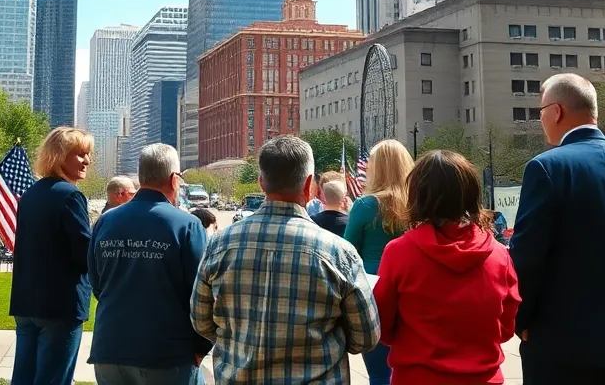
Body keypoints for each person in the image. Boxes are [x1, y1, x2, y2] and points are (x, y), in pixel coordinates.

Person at [509, 74, 605, 385]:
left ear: (556, 111)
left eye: (541, 112)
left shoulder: (546, 168)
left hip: (560, 342)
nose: (541, 120)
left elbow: (527, 258)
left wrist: (521, 319)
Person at [191, 136, 379, 383]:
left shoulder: (219, 245)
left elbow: (201, 321)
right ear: (309, 185)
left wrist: (240, 341)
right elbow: (366, 337)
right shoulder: (339, 253)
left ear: (261, 182)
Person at [373, 149, 519, 384]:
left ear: (417, 195)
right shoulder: (499, 255)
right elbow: (506, 326)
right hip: (483, 377)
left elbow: (383, 324)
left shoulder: (399, 252)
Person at [89, 144, 211, 385]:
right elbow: (201, 292)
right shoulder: (187, 225)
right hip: (166, 353)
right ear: (174, 179)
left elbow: (97, 283)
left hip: (110, 347)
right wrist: (201, 346)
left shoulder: (105, 221)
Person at [10, 127, 95, 385]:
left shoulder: (30, 194)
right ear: (59, 156)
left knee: (23, 379)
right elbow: (85, 253)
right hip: (61, 305)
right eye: (80, 154)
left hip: (26, 302)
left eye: (88, 154)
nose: (87, 161)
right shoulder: (70, 195)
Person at [344, 139, 413, 385]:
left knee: (380, 373)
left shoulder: (365, 205)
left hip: (374, 291)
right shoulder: (417, 204)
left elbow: (347, 251)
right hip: (414, 286)